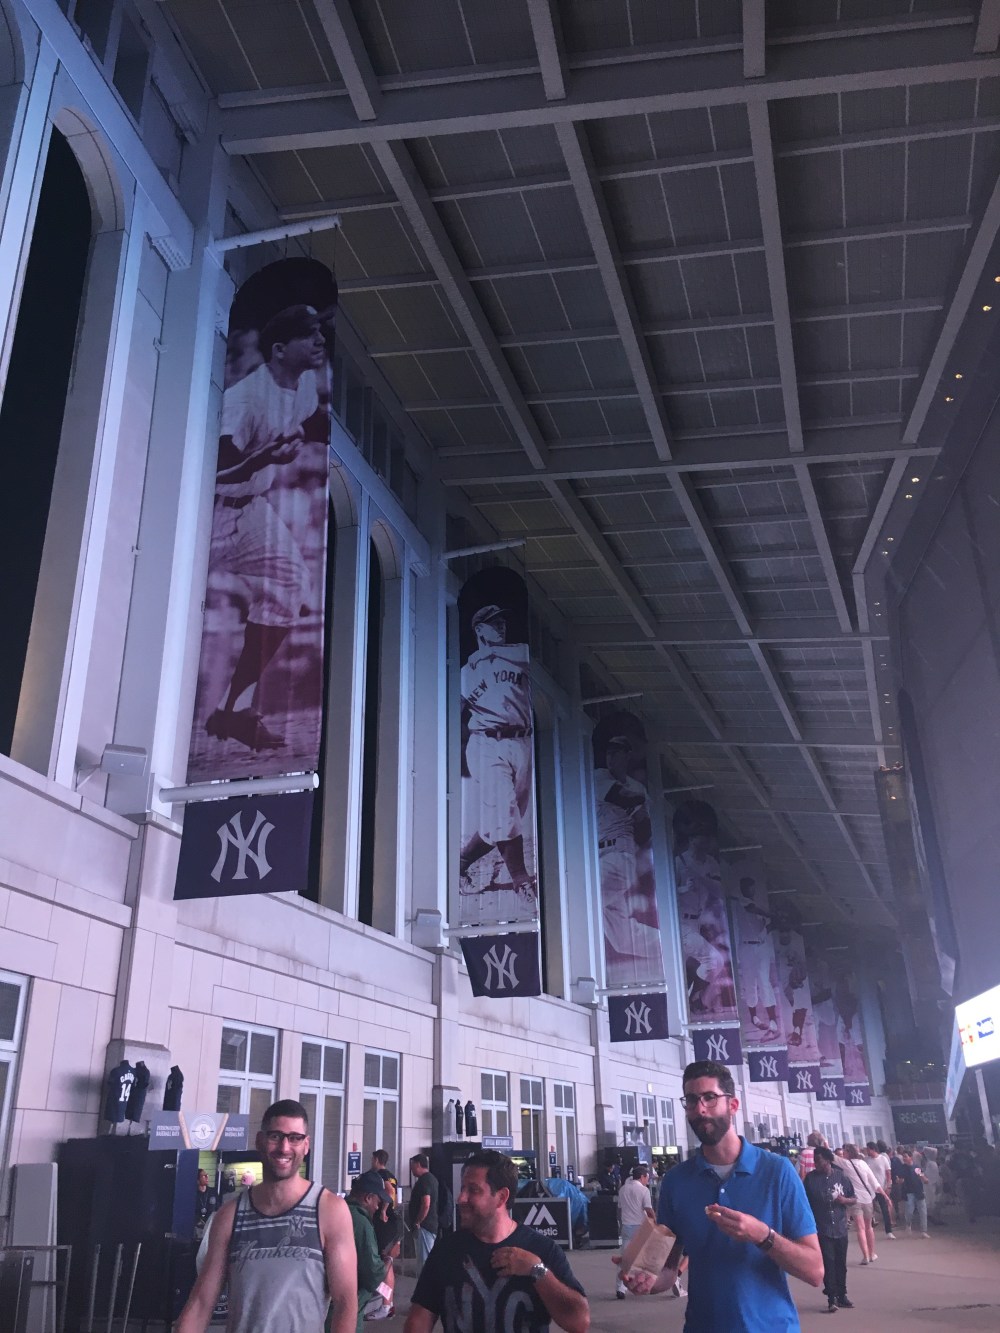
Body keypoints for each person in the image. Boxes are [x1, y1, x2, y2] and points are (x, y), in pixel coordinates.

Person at [204, 303, 332, 753]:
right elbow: (216, 471)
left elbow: (310, 421)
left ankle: (232, 711)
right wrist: (264, 458)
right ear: (279, 349)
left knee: (291, 582)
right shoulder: (245, 399)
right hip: (208, 512)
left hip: (251, 509)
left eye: (319, 331)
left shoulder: (304, 385)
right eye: (308, 334)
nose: (319, 340)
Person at [624, 1059, 822, 1331]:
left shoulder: (777, 1172)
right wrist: (645, 1279)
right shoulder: (676, 1182)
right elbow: (668, 1271)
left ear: (733, 1105)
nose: (700, 1108)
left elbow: (814, 1271)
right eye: (691, 1100)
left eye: (710, 1097)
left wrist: (762, 1235)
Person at [175, 1099, 357, 1333]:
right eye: (275, 1136)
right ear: (260, 1141)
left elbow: (345, 1302)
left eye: (295, 1138)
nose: (284, 1147)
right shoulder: (230, 1217)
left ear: (306, 1145)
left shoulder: (329, 1211)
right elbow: (201, 1303)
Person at [403, 1149, 589, 1333]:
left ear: (501, 1197)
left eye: (473, 1190)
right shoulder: (445, 1252)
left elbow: (579, 1322)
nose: (461, 1198)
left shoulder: (542, 1249)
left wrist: (537, 1271)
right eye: (462, 1189)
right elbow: (418, 1321)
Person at [458, 605, 536, 901]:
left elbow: (526, 656)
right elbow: (454, 710)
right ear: (479, 630)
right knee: (504, 812)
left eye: (502, 620)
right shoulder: (466, 672)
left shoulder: (517, 654)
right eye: (493, 622)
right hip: (486, 744)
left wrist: (487, 654)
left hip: (522, 741)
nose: (501, 625)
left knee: (503, 821)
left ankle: (461, 861)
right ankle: (521, 880)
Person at [594, 735, 662, 984]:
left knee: (587, 902)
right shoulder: (599, 776)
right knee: (623, 939)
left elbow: (646, 830)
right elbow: (621, 796)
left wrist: (642, 813)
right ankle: (668, 946)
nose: (611, 756)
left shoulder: (637, 786)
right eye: (609, 752)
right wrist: (640, 804)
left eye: (617, 752)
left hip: (619, 857)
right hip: (597, 855)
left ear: (627, 755)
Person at [803, 1146, 856, 1313]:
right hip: (822, 1227)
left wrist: (844, 1200)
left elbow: (854, 1198)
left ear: (827, 1160)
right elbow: (805, 1203)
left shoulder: (841, 1177)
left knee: (841, 1263)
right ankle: (831, 1298)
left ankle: (842, 1295)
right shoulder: (810, 1180)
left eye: (818, 1160)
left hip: (840, 1226)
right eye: (814, 1160)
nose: (815, 1164)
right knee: (828, 1263)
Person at [730, 874, 780, 1040]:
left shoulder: (759, 907)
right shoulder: (741, 901)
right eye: (747, 887)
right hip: (746, 947)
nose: (749, 890)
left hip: (761, 947)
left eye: (751, 887)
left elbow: (764, 929)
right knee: (750, 983)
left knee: (764, 982)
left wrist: (775, 922)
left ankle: (773, 1021)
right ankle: (754, 1017)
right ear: (742, 888)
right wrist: (771, 915)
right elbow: (752, 909)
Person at [346, 1171, 396, 1326]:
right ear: (368, 1198)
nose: (377, 1207)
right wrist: (389, 1258)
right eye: (377, 1201)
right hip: (348, 1309)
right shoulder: (361, 1223)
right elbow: (373, 1276)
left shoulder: (340, 1210)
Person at [840, 1144, 887, 1265]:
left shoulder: (845, 1164)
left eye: (844, 1152)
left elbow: (832, 1157)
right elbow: (874, 1182)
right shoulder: (863, 1164)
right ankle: (872, 1254)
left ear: (848, 1153)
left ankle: (865, 1256)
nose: (843, 1154)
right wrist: (885, 1196)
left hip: (855, 1200)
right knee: (869, 1227)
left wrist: (824, 1144)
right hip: (867, 1199)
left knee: (860, 1229)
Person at [615, 1165, 653, 1300]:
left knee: (625, 1258)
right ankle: (642, 1284)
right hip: (640, 1228)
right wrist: (656, 1222)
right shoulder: (644, 1190)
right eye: (647, 1177)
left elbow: (619, 1209)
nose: (647, 1180)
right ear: (642, 1177)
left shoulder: (623, 1189)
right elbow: (648, 1209)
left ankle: (620, 1288)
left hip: (626, 1226)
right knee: (645, 1258)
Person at [408, 1154, 440, 1274]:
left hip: (425, 1226)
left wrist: (418, 1221)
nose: (411, 1169)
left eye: (412, 1165)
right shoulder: (432, 1179)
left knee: (424, 1260)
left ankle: (426, 1283)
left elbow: (426, 1203)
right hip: (430, 1225)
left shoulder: (424, 1181)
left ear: (418, 1164)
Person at [864, 1141, 896, 1238]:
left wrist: (888, 1185)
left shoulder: (883, 1159)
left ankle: (888, 1231)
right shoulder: (866, 1160)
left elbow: (888, 1173)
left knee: (885, 1210)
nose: (867, 1151)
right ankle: (869, 1229)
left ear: (873, 1149)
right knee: (869, 1210)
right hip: (870, 1189)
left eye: (868, 1149)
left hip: (881, 1188)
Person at [898, 1149, 930, 1237]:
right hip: (909, 1192)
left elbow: (922, 1176)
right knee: (909, 1212)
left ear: (910, 1157)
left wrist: (925, 1180)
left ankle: (924, 1231)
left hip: (919, 1191)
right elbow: (900, 1179)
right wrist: (899, 1181)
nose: (904, 1158)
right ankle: (908, 1224)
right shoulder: (903, 1168)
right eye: (903, 1157)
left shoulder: (916, 1168)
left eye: (905, 1156)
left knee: (923, 1212)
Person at [193, 1168, 218, 1242]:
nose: (207, 1177)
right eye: (204, 1176)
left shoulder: (213, 1192)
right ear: (197, 1180)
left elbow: (217, 1207)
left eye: (207, 1175)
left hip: (210, 1225)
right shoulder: (193, 1193)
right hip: (196, 1226)